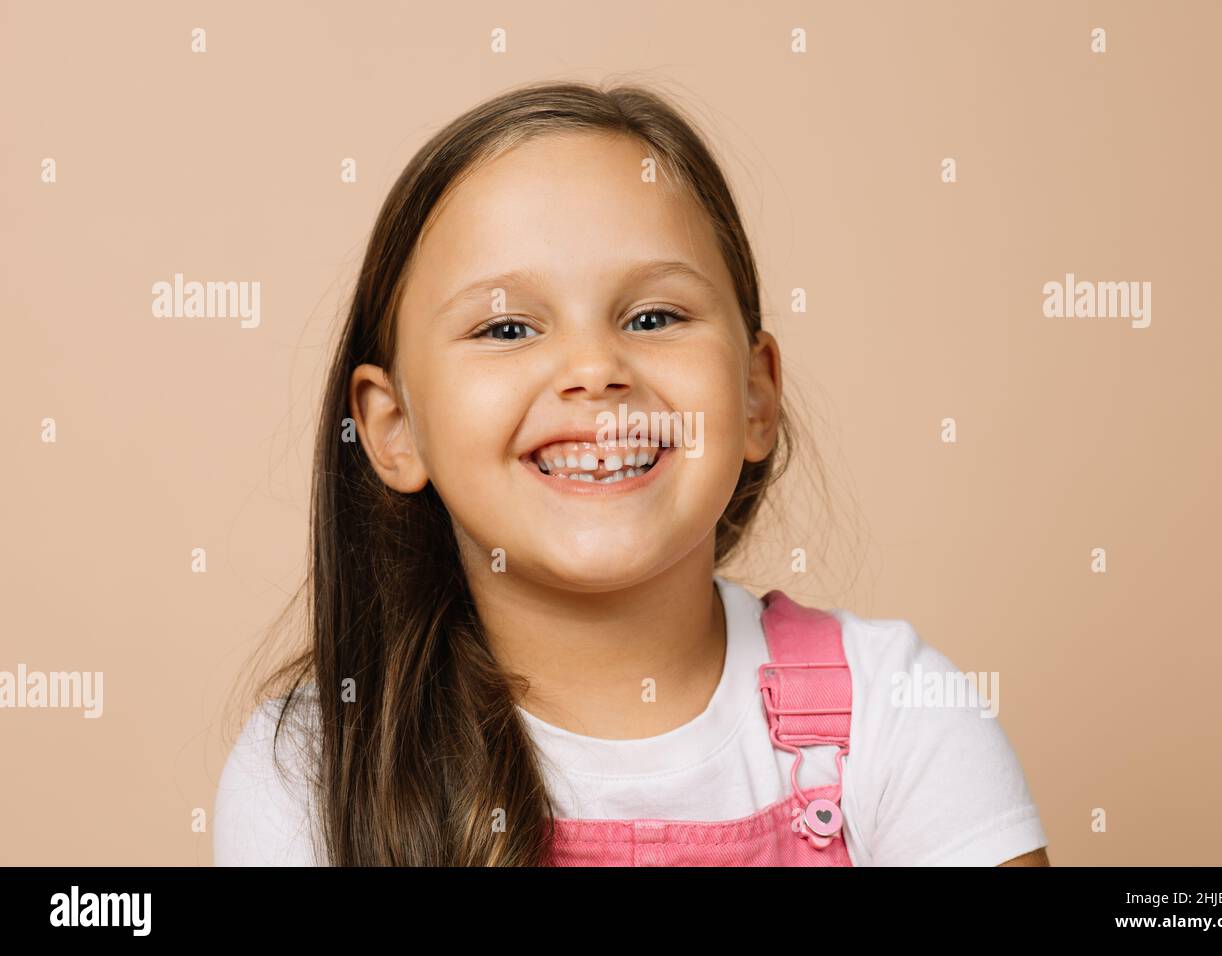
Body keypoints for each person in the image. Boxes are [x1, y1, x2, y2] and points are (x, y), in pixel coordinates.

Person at [213, 80, 1049, 867]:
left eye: (654, 316)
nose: (594, 368)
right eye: (506, 329)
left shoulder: (896, 714)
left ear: (756, 396)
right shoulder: (316, 764)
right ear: (394, 430)